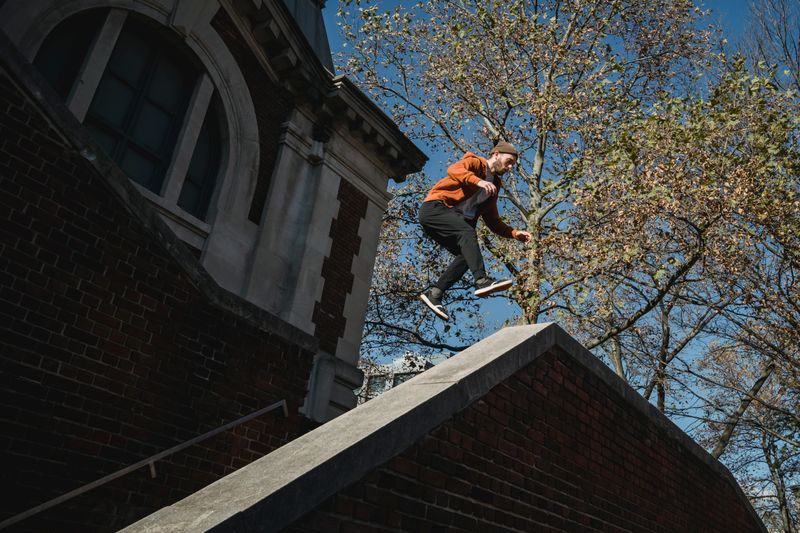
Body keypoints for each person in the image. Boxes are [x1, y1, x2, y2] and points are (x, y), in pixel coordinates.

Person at [418, 141, 532, 321]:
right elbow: (454, 170)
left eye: (513, 165)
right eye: (508, 161)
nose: (510, 167)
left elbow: (493, 221)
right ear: (496, 154)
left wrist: (514, 233)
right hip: (434, 209)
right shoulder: (475, 162)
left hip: (451, 223)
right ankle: (481, 280)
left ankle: (435, 294)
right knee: (468, 232)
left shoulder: (495, 185)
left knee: (466, 255)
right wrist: (478, 181)